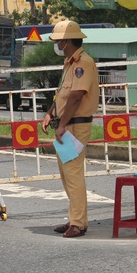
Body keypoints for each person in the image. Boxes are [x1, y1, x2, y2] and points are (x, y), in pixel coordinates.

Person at [41, 19, 99, 238]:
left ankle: (78, 223)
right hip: (66, 125)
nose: (56, 45)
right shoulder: (69, 63)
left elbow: (76, 97)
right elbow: (63, 95)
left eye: (58, 41)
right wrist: (50, 113)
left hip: (75, 125)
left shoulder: (83, 63)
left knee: (73, 173)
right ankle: (76, 218)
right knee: (67, 175)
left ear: (66, 41)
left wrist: (62, 124)